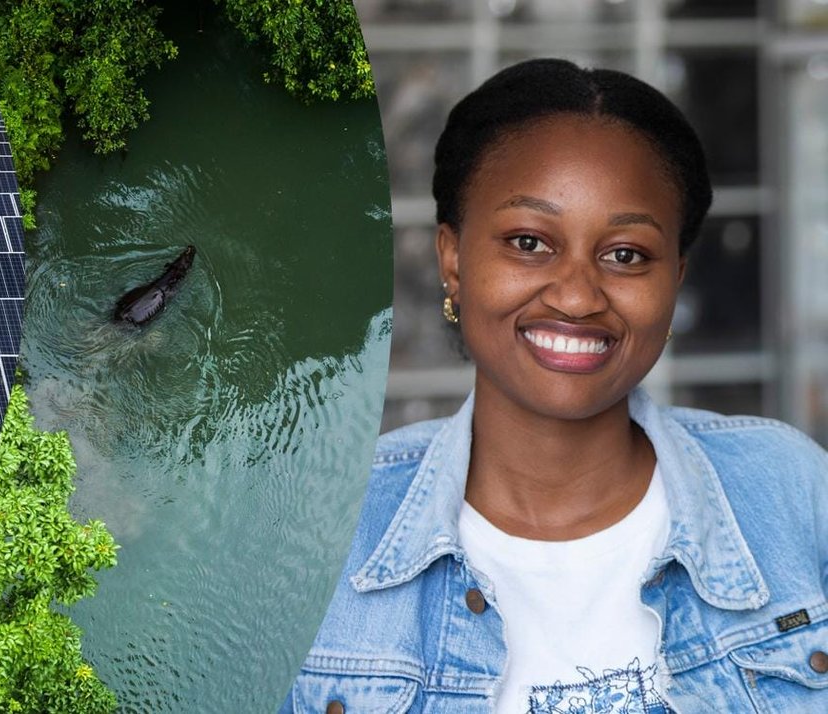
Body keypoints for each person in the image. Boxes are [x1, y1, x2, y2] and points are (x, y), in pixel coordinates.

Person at [285, 58, 828, 713]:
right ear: (452, 259)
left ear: (675, 278)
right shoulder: (317, 539)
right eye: (528, 242)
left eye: (626, 254)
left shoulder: (790, 490)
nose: (576, 296)